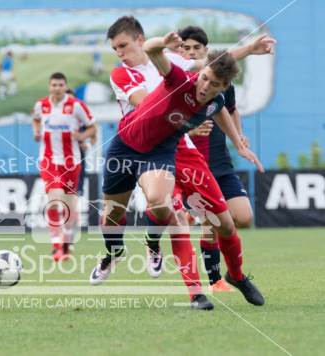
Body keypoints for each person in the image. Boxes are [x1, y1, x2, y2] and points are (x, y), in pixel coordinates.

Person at [90, 16, 272, 308]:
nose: (119, 52)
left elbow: (215, 74)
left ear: (137, 39)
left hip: (169, 147)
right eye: (115, 48)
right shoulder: (138, 73)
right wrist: (185, 114)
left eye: (122, 45)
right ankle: (114, 252)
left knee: (182, 212)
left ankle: (200, 286)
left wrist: (249, 49)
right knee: (112, 216)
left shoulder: (199, 79)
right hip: (128, 146)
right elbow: (146, 102)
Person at [178, 26, 255, 290]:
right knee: (211, 221)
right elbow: (166, 123)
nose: (190, 53)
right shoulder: (177, 84)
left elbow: (230, 111)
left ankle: (197, 219)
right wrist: (191, 127)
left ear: (205, 51)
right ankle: (216, 280)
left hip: (220, 162)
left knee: (243, 217)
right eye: (185, 48)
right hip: (192, 167)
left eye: (195, 48)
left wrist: (240, 138)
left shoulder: (220, 83)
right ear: (178, 51)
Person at [32, 73, 96, 261]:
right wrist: (36, 131)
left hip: (72, 162)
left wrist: (83, 138)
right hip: (49, 160)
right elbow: (36, 119)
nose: (57, 87)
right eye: (54, 84)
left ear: (65, 86)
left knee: (69, 205)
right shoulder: (41, 105)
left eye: (60, 84)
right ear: (49, 86)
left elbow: (92, 127)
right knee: (54, 198)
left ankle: (66, 245)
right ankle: (55, 244)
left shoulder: (76, 106)